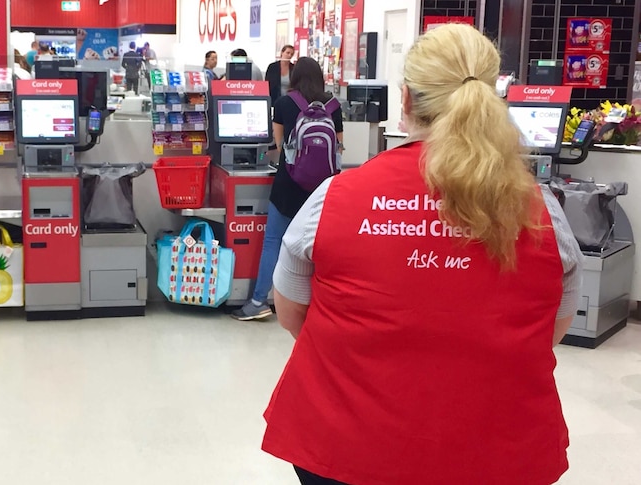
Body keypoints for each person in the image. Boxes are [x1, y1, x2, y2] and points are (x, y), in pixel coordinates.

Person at [262, 24, 581, 485]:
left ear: (406, 101)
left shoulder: (336, 198)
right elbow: (550, 327)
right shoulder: (539, 209)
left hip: (346, 444)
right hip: (494, 448)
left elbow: (292, 311)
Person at [232, 57, 342, 321]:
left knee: (273, 242)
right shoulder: (334, 106)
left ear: (294, 77)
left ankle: (259, 300)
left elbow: (280, 147)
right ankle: (318, 304)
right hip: (322, 190)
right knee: (319, 247)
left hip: (288, 185)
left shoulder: (284, 103)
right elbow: (337, 148)